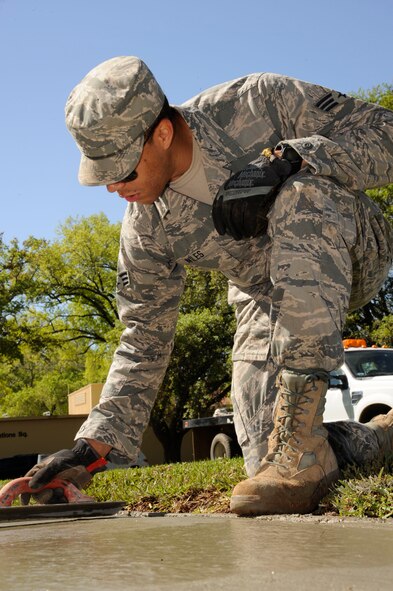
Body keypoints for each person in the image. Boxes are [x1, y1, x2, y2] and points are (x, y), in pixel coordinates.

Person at [24, 56, 393, 514]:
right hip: (266, 297)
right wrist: (90, 447)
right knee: (265, 464)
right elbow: (142, 339)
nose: (113, 186)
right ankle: (371, 439)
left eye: (122, 169)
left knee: (302, 193)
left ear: (161, 133)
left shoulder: (259, 102)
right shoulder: (145, 227)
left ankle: (299, 442)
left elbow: (387, 135)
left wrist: (293, 159)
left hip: (353, 249)